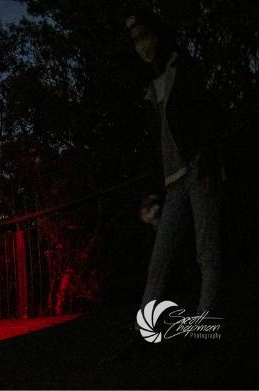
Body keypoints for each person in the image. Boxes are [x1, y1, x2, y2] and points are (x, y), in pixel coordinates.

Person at [127, 12, 223, 322]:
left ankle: (205, 321)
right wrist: (152, 191)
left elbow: (207, 116)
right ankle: (143, 328)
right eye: (135, 39)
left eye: (144, 35)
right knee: (160, 258)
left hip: (196, 170)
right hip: (172, 182)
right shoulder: (150, 87)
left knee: (206, 252)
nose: (141, 44)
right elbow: (155, 144)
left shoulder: (183, 67)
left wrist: (208, 165)